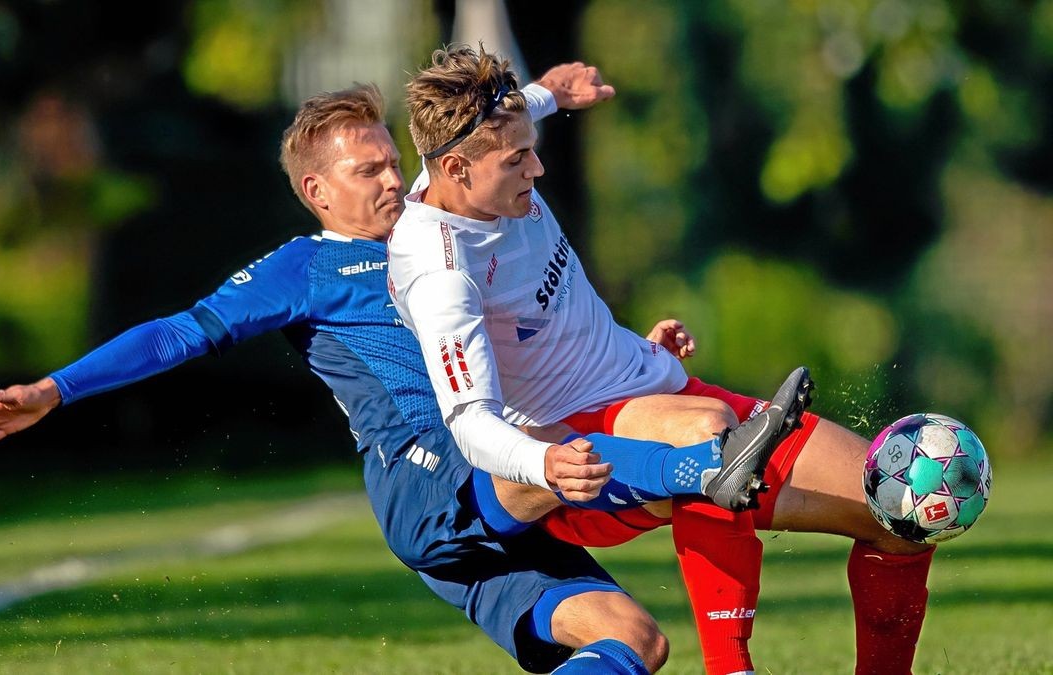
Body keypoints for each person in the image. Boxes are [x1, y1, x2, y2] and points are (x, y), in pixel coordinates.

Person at [0, 65, 700, 675]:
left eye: (393, 163)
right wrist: (55, 388)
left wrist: (545, 95)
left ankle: (702, 475)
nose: (389, 180)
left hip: (493, 490)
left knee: (635, 640)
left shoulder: (432, 228)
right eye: (367, 169)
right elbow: (178, 334)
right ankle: (709, 467)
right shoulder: (306, 269)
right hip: (431, 479)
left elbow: (482, 162)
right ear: (318, 191)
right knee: (547, 446)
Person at [388, 45, 935, 675]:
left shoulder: (485, 146)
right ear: (455, 168)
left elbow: (527, 104)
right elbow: (470, 422)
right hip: (584, 451)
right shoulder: (441, 275)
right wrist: (546, 461)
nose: (537, 168)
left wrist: (555, 91)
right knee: (710, 437)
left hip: (657, 390)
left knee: (897, 509)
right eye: (518, 160)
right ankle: (731, 668)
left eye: (533, 147)